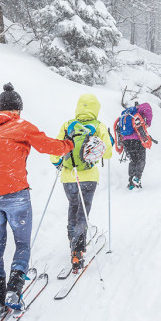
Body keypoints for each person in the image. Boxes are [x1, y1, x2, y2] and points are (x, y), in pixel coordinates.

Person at [0, 83, 74, 316]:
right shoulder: (21, 126)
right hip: (16, 194)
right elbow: (50, 147)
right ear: (16, 109)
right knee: (22, 244)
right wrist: (69, 144)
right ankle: (14, 290)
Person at [50, 94, 112, 272]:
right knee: (82, 214)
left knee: (73, 207)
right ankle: (77, 250)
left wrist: (58, 163)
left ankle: (73, 241)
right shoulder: (98, 126)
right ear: (96, 109)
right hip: (88, 177)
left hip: (69, 177)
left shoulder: (68, 125)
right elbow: (107, 154)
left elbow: (55, 150)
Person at [121, 102, 153, 190]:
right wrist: (148, 123)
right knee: (141, 159)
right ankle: (137, 178)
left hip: (126, 140)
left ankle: (131, 182)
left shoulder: (128, 113)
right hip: (137, 139)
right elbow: (148, 109)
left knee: (133, 160)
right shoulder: (142, 108)